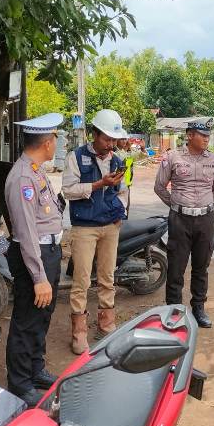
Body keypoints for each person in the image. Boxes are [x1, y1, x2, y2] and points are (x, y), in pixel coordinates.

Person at [4, 112, 65, 407]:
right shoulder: (23, 177)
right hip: (33, 256)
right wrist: (39, 277)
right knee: (27, 319)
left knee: (42, 315)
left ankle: (35, 368)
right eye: (54, 138)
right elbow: (26, 232)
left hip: (47, 252)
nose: (56, 143)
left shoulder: (36, 170)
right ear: (47, 142)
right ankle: (20, 383)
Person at [62, 109, 128, 354]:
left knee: (107, 277)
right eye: (107, 139)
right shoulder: (76, 157)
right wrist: (99, 184)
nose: (111, 144)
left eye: (114, 140)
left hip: (110, 226)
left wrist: (119, 212)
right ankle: (79, 332)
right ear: (94, 134)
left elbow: (123, 190)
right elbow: (68, 190)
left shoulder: (117, 160)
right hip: (84, 228)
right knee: (81, 281)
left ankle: (106, 325)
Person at [154, 117, 214, 328]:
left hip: (205, 220)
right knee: (176, 267)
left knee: (201, 266)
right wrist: (177, 205)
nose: (206, 139)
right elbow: (159, 187)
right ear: (190, 135)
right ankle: (174, 311)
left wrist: (204, 207)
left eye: (208, 135)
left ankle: (198, 308)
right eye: (202, 135)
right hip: (180, 220)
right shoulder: (172, 157)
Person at [116, 133, 135, 213]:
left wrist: (128, 148)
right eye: (122, 139)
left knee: (127, 205)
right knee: (121, 207)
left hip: (127, 181)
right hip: (119, 184)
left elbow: (130, 161)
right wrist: (127, 148)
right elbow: (123, 161)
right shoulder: (115, 152)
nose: (125, 141)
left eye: (125, 139)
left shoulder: (125, 151)